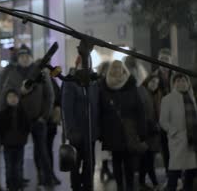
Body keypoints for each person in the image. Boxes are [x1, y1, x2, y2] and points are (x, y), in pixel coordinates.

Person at [0, 44, 56, 188]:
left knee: (42, 151)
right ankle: (18, 179)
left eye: (27, 56)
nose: (24, 59)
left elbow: (49, 95)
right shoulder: (11, 73)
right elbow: (5, 92)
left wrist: (44, 116)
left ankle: (46, 178)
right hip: (19, 120)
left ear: (31, 57)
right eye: (22, 56)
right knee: (18, 152)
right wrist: (20, 91)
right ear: (18, 58)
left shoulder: (40, 72)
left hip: (38, 119)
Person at [99, 60, 146, 191]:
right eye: (113, 68)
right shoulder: (103, 87)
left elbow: (140, 111)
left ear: (123, 70)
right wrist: (101, 132)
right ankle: (120, 186)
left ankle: (130, 187)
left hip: (128, 131)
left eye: (119, 68)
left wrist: (142, 132)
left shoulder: (131, 86)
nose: (116, 70)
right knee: (116, 161)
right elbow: (100, 112)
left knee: (129, 162)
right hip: (112, 131)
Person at [62, 56, 100, 191]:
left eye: (87, 63)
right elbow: (67, 108)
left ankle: (88, 186)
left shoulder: (93, 81)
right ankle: (76, 187)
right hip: (77, 131)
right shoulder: (71, 81)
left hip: (91, 130)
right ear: (77, 64)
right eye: (82, 63)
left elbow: (97, 104)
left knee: (90, 163)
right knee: (76, 162)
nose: (85, 66)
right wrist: (70, 130)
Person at [160, 74, 197, 191]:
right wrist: (174, 132)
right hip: (178, 140)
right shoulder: (167, 99)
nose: (181, 83)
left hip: (192, 141)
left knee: (191, 171)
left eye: (184, 80)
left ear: (188, 83)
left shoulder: (192, 98)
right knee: (174, 171)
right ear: (174, 83)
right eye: (178, 81)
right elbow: (163, 121)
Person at [0, 89, 31, 191]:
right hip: (7, 144)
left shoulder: (23, 112)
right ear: (6, 99)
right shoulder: (2, 113)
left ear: (18, 98)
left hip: (19, 143)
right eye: (10, 97)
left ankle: (18, 184)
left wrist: (24, 138)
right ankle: (10, 185)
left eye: (15, 97)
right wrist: (1, 141)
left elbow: (27, 127)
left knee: (18, 165)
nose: (12, 99)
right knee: (9, 166)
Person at [138, 75, 162, 191]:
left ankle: (142, 182)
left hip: (153, 133)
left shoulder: (156, 95)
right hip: (145, 132)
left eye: (156, 83)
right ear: (147, 81)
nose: (154, 84)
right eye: (152, 81)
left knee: (146, 160)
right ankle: (155, 183)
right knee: (148, 160)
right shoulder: (142, 93)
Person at [154, 48, 174, 172]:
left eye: (166, 59)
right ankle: (169, 174)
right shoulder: (153, 77)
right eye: (161, 59)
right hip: (161, 118)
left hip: (176, 118)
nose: (164, 62)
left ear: (171, 61)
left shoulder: (177, 76)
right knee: (165, 149)